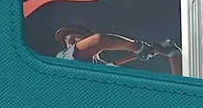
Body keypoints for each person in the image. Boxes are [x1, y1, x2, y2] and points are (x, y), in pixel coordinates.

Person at [53, 26, 182, 75]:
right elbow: (99, 40)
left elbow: (179, 87)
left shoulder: (104, 68)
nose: (70, 40)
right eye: (67, 39)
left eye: (76, 37)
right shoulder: (64, 58)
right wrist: (139, 48)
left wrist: (174, 54)